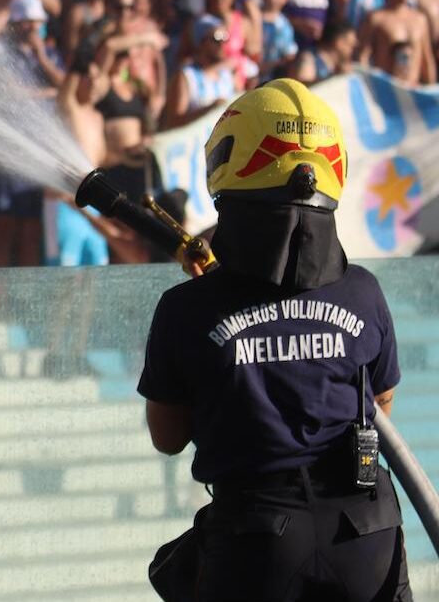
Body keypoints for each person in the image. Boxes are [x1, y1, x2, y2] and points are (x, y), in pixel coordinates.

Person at [139, 78, 410, 602]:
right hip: (368, 536)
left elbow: (167, 436)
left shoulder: (186, 309)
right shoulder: (364, 293)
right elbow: (380, 404)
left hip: (255, 544)